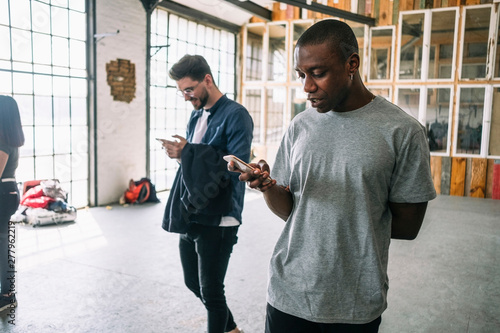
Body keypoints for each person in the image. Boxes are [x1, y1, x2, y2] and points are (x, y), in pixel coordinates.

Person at [229, 19, 437, 332]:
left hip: (354, 304)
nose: (307, 87)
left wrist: (352, 207)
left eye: (318, 72)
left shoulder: (402, 131)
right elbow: (291, 211)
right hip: (288, 293)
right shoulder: (301, 125)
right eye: (301, 75)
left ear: (351, 63)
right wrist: (268, 186)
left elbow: (408, 227)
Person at [161, 55, 253, 333]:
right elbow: (196, 167)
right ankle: (233, 329)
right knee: (193, 282)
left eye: (189, 89)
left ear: (208, 80)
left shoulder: (236, 115)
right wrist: (180, 156)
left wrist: (188, 152)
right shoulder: (196, 114)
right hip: (193, 210)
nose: (187, 97)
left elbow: (235, 166)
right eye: (182, 93)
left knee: (212, 292)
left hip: (220, 216)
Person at [0, 95, 25, 312]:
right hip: (8, 193)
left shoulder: (3, 142)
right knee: (3, 246)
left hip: (3, 194)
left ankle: (7, 295)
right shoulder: (9, 139)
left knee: (3, 247)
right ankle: (8, 293)